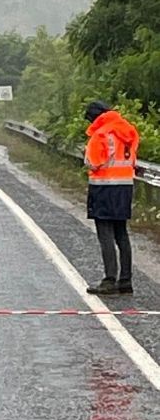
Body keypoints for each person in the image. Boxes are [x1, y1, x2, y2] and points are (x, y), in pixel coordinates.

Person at [84, 100, 139, 295]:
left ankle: (109, 280)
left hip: (104, 188)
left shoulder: (100, 134)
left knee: (105, 234)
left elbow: (93, 162)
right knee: (121, 234)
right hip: (125, 187)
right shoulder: (129, 131)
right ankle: (126, 281)